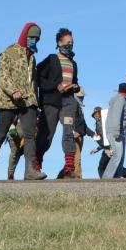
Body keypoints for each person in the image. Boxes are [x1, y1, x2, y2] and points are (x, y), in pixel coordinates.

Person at [0, 23, 42, 181]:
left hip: (28, 101)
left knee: (30, 136)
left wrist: (35, 102)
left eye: (37, 39)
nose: (34, 41)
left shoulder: (32, 57)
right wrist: (13, 91)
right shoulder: (9, 52)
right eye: (32, 37)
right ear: (25, 36)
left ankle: (30, 170)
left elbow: (33, 82)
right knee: (0, 135)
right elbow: (3, 76)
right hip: (9, 101)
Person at [38, 29, 83, 179]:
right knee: (47, 134)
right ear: (59, 43)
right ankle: (36, 166)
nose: (70, 45)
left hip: (68, 102)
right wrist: (55, 85)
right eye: (68, 42)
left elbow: (74, 80)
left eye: (72, 43)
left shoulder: (73, 63)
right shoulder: (51, 59)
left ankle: (69, 169)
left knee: (68, 132)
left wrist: (75, 86)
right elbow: (39, 77)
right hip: (51, 101)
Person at [98, 82, 126, 179]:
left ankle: (117, 176)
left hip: (118, 132)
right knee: (117, 155)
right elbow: (117, 114)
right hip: (116, 132)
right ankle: (107, 178)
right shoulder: (120, 99)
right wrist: (117, 131)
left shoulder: (117, 99)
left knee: (120, 157)